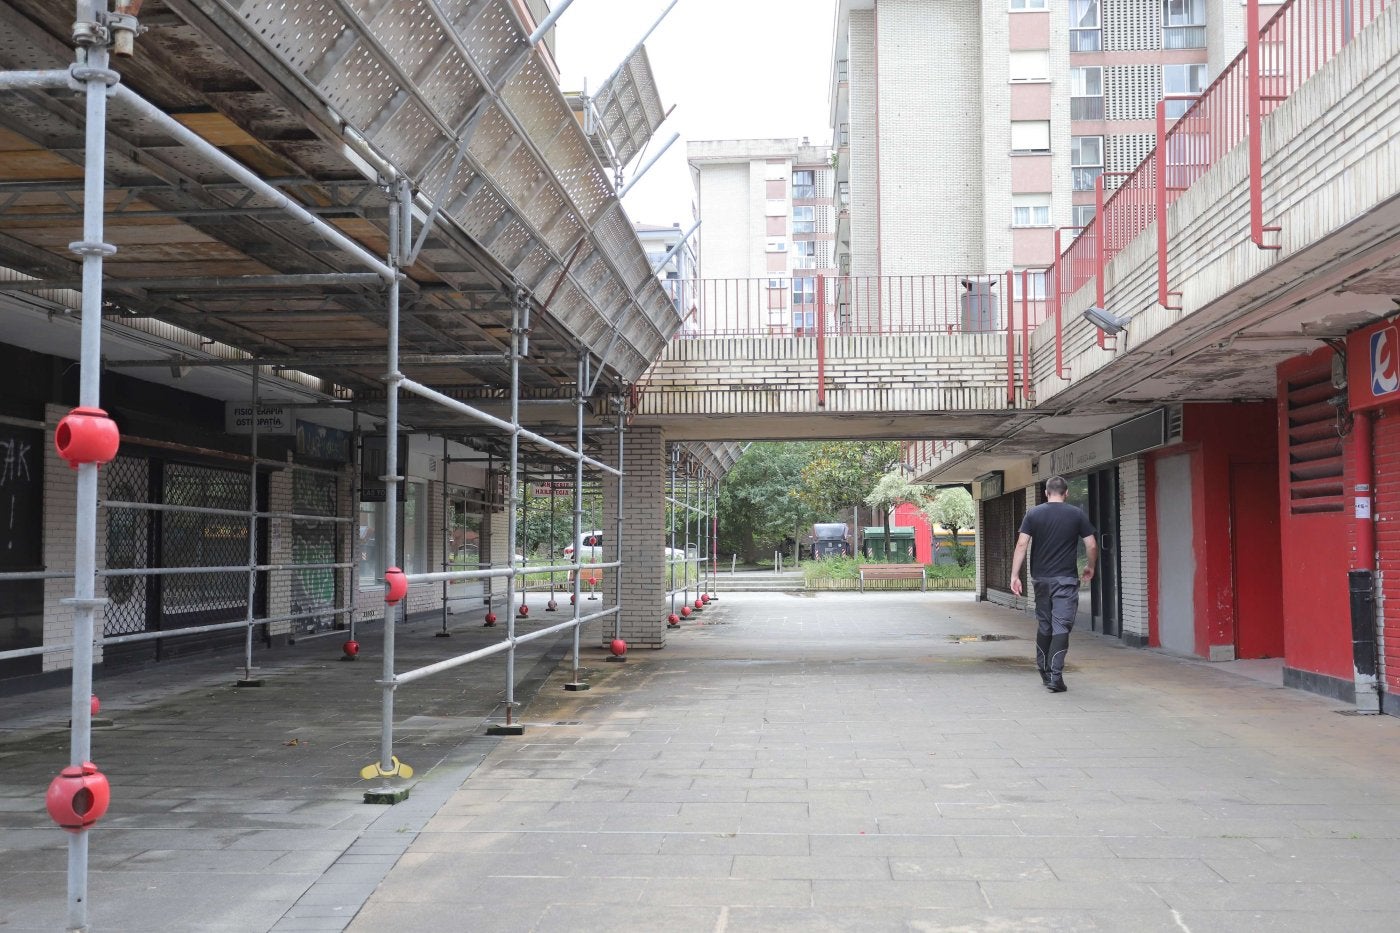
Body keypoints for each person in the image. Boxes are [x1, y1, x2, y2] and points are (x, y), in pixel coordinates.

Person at [1009, 475, 1098, 693]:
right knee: (1061, 625)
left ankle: (1044, 671)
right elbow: (1092, 545)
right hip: (1065, 580)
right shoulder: (1076, 514)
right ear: (1066, 493)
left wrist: (1014, 575)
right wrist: (1090, 566)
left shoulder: (1033, 513)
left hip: (1040, 580)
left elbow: (1021, 545)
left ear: (1046, 493)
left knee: (1045, 624)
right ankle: (1056, 676)